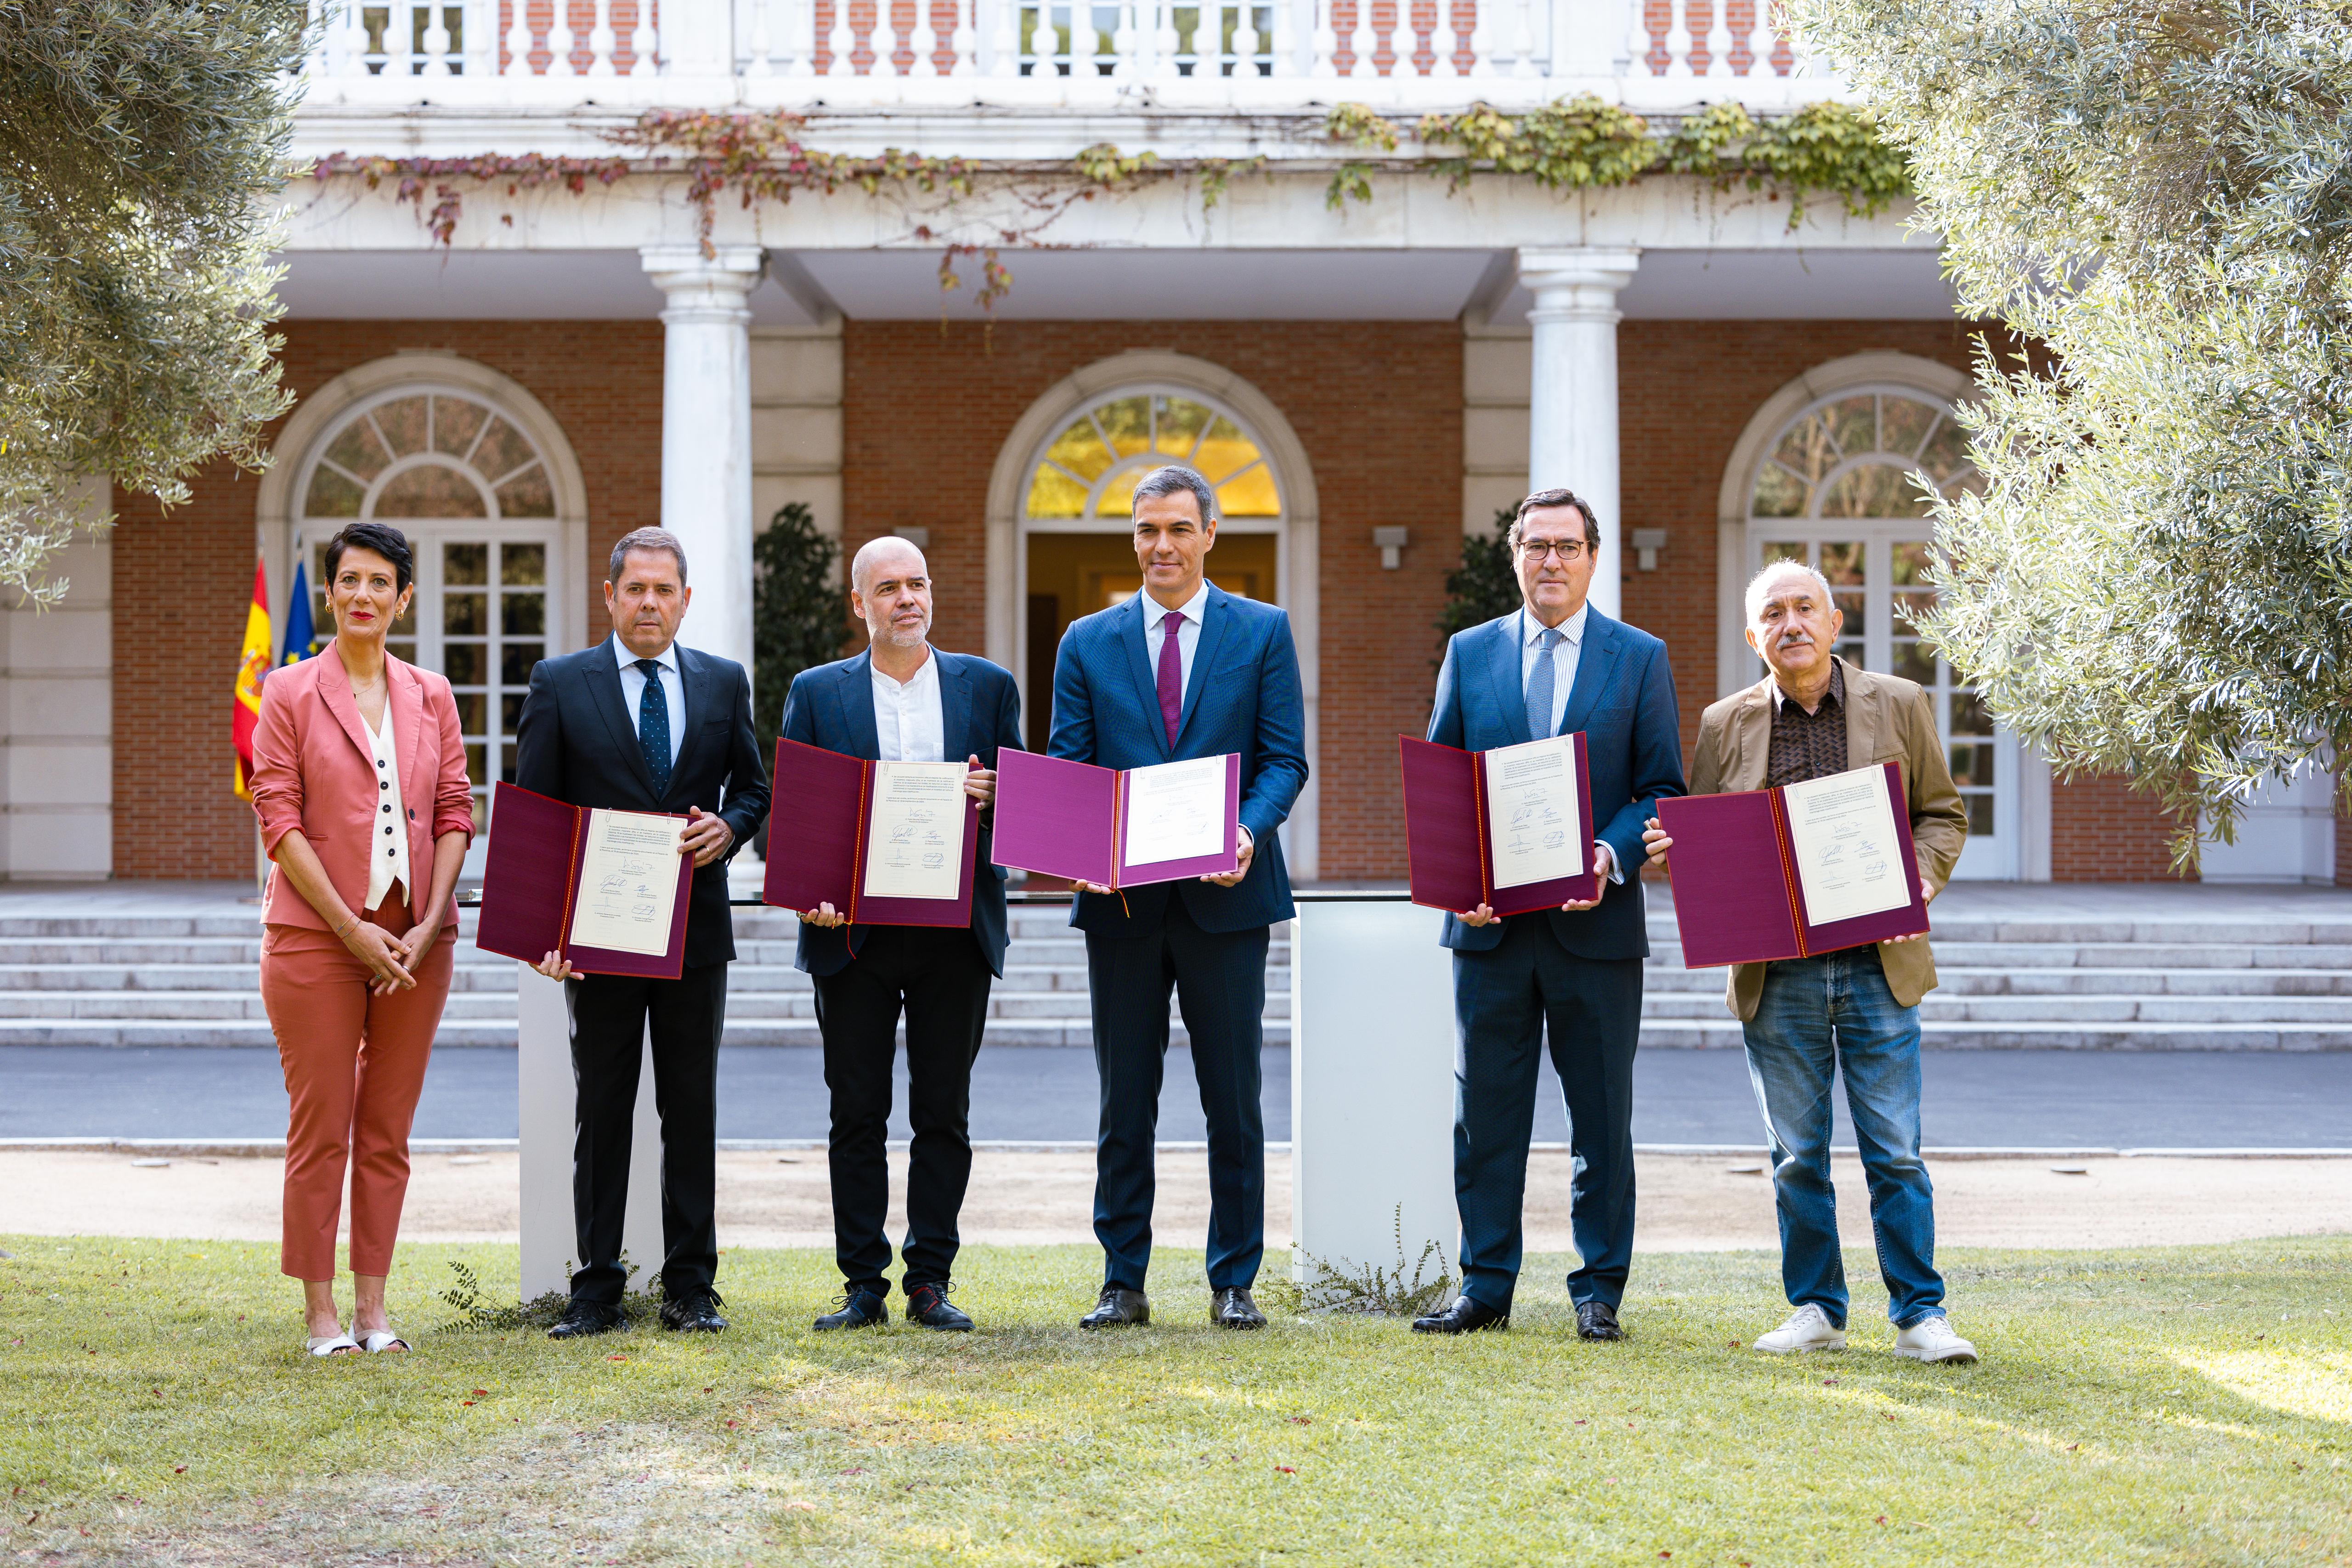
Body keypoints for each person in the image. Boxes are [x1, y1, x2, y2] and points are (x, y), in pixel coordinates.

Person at [1642, 559, 1976, 1363]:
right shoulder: (1726, 724)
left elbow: (1942, 813)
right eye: (1773, 614)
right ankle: (1818, 1308)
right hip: (1777, 971)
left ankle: (1920, 1314)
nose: (1791, 624)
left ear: (1834, 622)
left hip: (1876, 965)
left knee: (1894, 1148)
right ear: (1754, 636)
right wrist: (1670, 853)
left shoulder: (1898, 702)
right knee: (1796, 1156)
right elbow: (1708, 842)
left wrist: (1922, 880)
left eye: (1805, 608)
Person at [1413, 488, 1684, 1341]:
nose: (1552, 562)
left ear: (1593, 558)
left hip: (1594, 924)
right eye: (1536, 546)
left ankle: (1598, 1289)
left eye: (1568, 547)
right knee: (1484, 1116)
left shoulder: (1638, 658)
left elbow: (1661, 787)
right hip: (1490, 928)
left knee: (1601, 1116)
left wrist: (1606, 856)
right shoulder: (1470, 652)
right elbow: (1443, 784)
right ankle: (1484, 1285)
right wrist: (1464, 881)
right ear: (1516, 555)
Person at [1048, 464, 1307, 1332]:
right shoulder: (1087, 640)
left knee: (1233, 1098)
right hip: (1122, 907)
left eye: (1178, 529)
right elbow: (1073, 762)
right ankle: (1122, 1278)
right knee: (1126, 1099)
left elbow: (1283, 761)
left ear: (1208, 536)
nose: (1162, 545)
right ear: (1133, 537)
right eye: (1147, 530)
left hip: (1226, 898)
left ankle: (1235, 1279)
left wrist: (1246, 832)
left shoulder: (1264, 631)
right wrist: (1079, 846)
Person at [513, 526, 770, 1340]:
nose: (650, 602)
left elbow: (755, 790)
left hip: (696, 931)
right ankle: (596, 1287)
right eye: (637, 589)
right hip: (600, 936)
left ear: (686, 600)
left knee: (691, 1110)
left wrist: (729, 828)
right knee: (606, 1109)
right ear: (611, 596)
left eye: (665, 590)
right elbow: (536, 817)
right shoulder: (561, 683)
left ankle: (691, 1287)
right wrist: (544, 931)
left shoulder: (725, 683)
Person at [779, 536, 1021, 1334]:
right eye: (888, 589)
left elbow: (1027, 810)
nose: (907, 599)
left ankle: (929, 1281)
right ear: (860, 604)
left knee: (944, 1112)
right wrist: (810, 894)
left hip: (955, 933)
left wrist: (998, 796)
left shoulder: (988, 686)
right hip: (854, 936)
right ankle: (862, 1285)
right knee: (856, 1112)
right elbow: (799, 808)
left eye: (918, 583)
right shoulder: (817, 692)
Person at [250, 522, 475, 1357]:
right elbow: (278, 818)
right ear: (333, 591)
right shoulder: (288, 692)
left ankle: (374, 1310)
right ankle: (320, 1315)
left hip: (419, 941)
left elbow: (457, 811)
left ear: (403, 598)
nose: (362, 596)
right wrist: (353, 929)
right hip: (315, 940)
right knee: (324, 1127)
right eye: (349, 580)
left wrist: (423, 925)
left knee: (387, 1129)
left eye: (380, 583)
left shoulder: (433, 694)